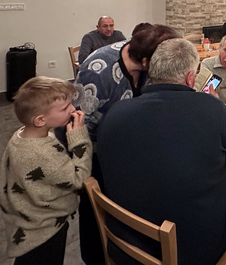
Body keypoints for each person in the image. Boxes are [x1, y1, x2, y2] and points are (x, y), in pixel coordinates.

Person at [97, 38, 226, 265]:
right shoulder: (211, 108)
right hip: (187, 253)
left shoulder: (116, 111)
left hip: (123, 240)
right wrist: (219, 107)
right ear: (191, 78)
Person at [74, 24, 179, 265]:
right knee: (94, 206)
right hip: (96, 148)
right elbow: (78, 124)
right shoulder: (98, 70)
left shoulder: (147, 61)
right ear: (145, 61)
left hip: (130, 146)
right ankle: (95, 257)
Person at [0, 77, 92, 265]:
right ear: (40, 120)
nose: (72, 109)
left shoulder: (21, 136)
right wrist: (79, 137)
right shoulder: (43, 154)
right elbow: (79, 179)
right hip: (46, 230)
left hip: (28, 221)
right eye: (65, 108)